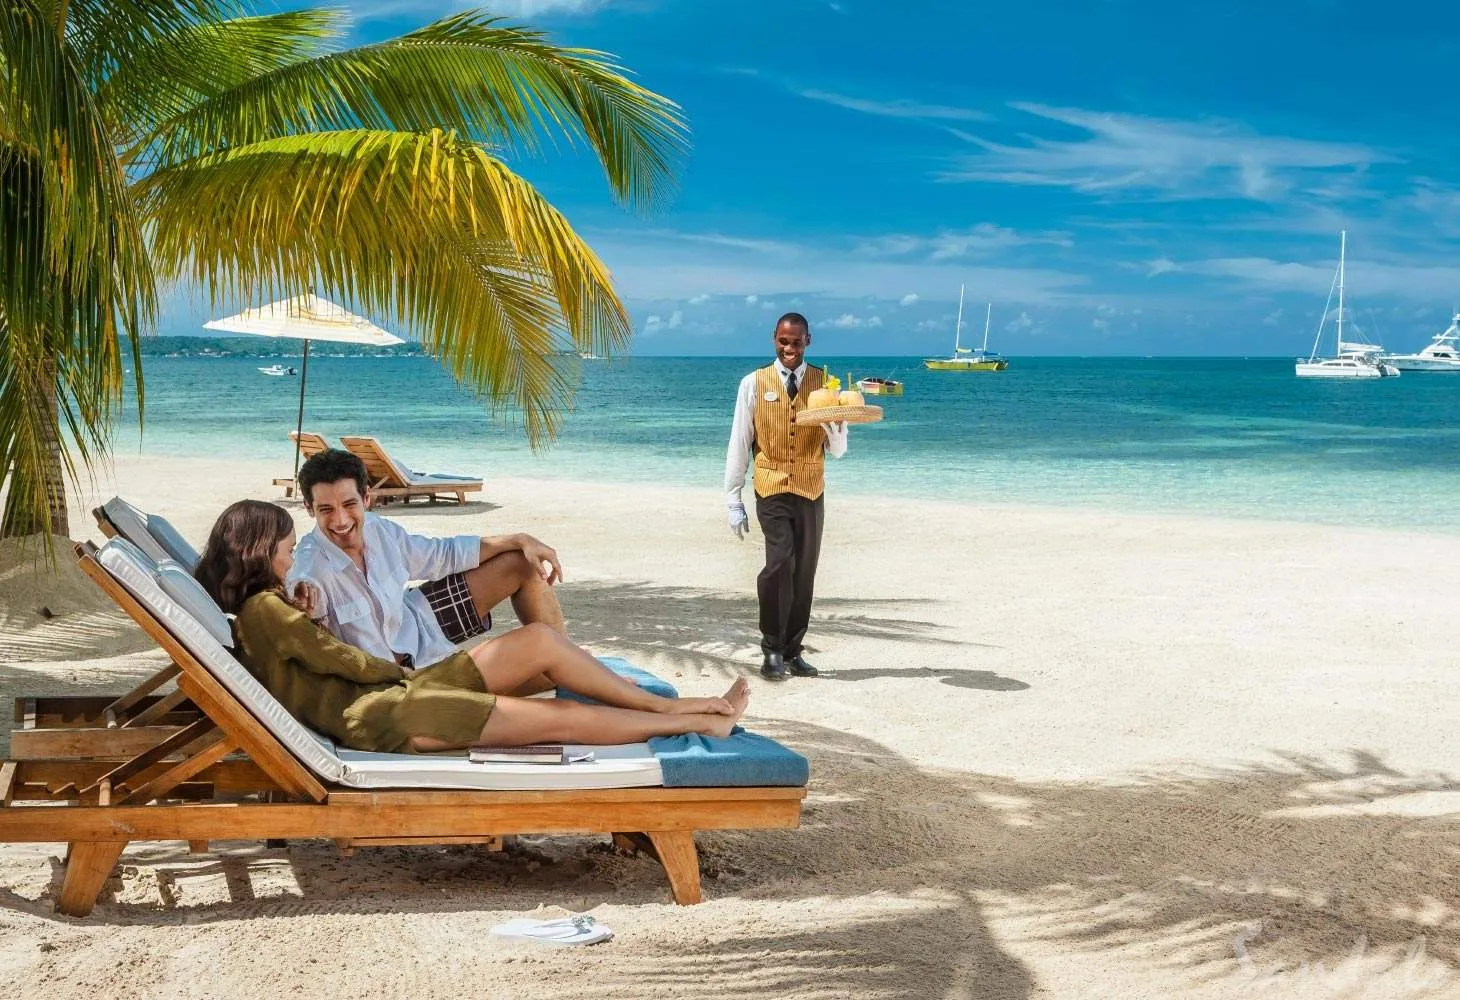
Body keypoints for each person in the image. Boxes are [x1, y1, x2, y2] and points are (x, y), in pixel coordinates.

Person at [194, 500, 749, 753]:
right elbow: (341, 661)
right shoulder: (263, 612)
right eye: (286, 545)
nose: (293, 552)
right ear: (258, 550)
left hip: (400, 695)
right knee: (559, 718)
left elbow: (316, 654)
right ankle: (683, 721)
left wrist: (309, 616)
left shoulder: (266, 611)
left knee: (538, 641)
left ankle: (672, 710)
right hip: (390, 714)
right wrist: (392, 668)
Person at [286, 449, 563, 694]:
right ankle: (559, 674)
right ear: (310, 509)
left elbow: (441, 556)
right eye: (326, 510)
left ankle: (565, 663)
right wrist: (301, 598)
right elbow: (300, 589)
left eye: (349, 505)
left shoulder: (379, 529)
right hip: (398, 682)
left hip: (418, 628)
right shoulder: (311, 565)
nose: (341, 520)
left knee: (521, 562)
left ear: (367, 497)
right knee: (544, 677)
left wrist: (518, 539)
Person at [724, 312, 848, 681]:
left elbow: (838, 450)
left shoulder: (826, 385)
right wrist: (733, 499)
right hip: (771, 486)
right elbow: (739, 442)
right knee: (780, 565)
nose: (789, 348)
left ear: (808, 340)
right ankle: (772, 649)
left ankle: (794, 650)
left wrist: (834, 427)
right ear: (773, 340)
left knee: (805, 571)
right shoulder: (752, 384)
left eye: (796, 342)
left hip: (811, 489)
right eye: (783, 341)